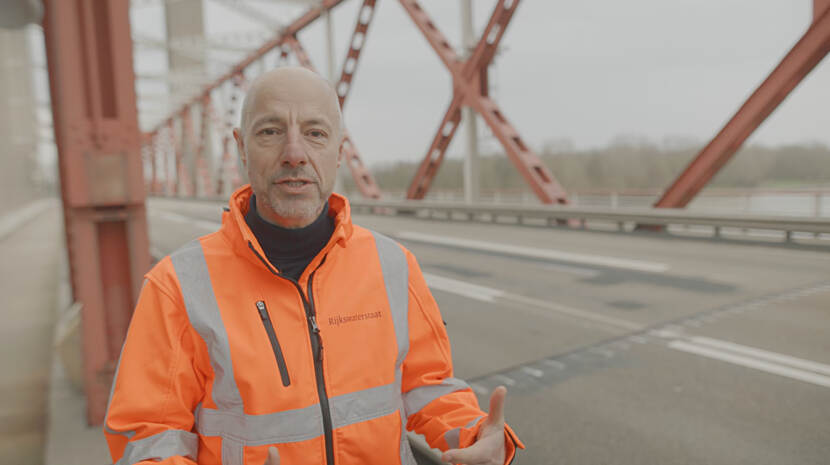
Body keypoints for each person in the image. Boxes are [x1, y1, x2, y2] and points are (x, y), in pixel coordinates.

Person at [104, 67, 523, 465]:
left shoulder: (392, 265)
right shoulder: (178, 286)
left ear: (339, 152)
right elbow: (147, 435)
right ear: (240, 147)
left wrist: (473, 434)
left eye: (315, 133)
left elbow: (426, 387)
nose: (294, 153)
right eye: (270, 132)